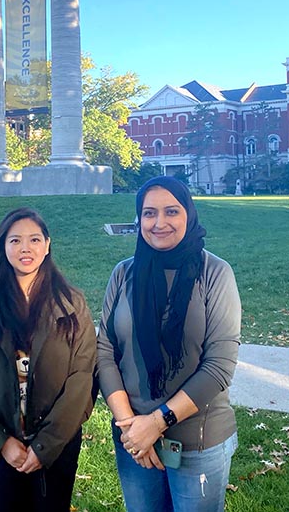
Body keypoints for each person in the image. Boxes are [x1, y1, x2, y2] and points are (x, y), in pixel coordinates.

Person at [97, 176, 241, 512]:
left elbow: (219, 366)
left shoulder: (215, 273)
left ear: (188, 214)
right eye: (149, 213)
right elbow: (105, 352)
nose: (159, 223)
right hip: (133, 440)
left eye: (171, 211)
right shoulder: (123, 273)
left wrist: (157, 422)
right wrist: (132, 428)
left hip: (197, 441)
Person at [0, 208, 97, 512]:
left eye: (34, 239)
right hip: (0, 446)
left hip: (57, 445)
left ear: (48, 244)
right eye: (15, 240)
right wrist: (0, 441)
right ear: (3, 247)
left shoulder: (71, 304)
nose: (25, 248)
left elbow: (83, 378)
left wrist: (44, 446)